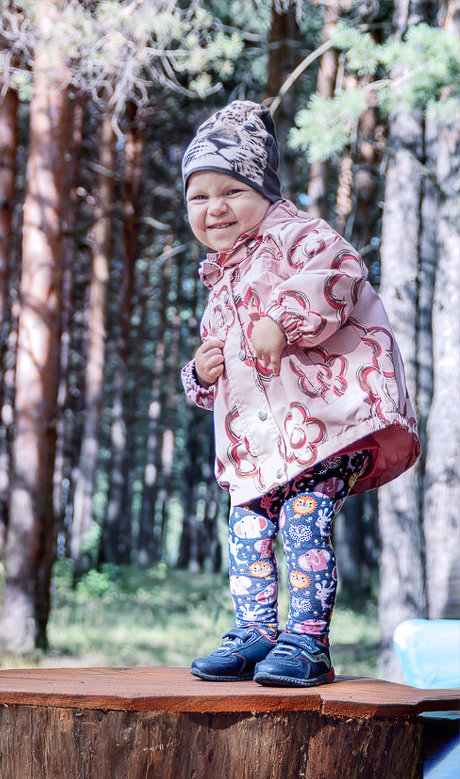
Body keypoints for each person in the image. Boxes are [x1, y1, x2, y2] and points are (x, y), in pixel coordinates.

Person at [180, 99, 420, 687]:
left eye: (230, 191)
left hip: (323, 426)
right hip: (261, 446)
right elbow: (232, 374)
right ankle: (256, 631)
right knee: (249, 526)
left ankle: (307, 642)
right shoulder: (222, 279)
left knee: (304, 518)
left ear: (263, 191)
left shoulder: (298, 235)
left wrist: (283, 320)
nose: (214, 209)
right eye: (199, 196)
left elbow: (338, 275)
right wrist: (202, 373)